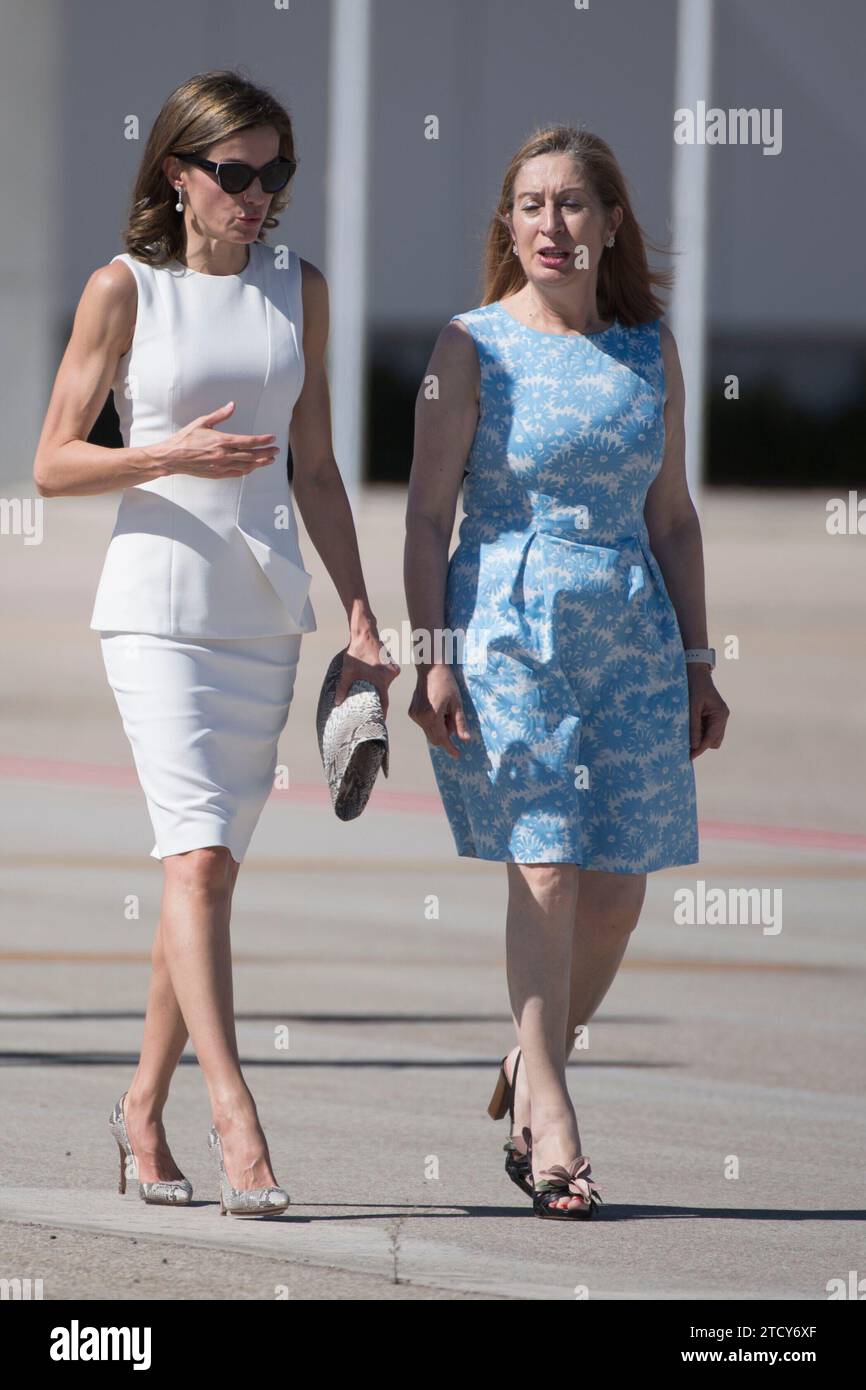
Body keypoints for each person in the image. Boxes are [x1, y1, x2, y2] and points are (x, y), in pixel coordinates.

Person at [33, 70, 398, 1217]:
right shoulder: (121, 289)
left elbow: (319, 466)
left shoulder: (302, 290)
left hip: (260, 616)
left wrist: (359, 608)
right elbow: (50, 460)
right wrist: (163, 457)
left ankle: (139, 1109)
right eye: (233, 174)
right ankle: (236, 1119)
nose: (256, 195)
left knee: (207, 874)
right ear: (177, 177)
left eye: (273, 173)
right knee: (192, 862)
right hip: (155, 609)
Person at [405, 125, 729, 1219]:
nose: (550, 224)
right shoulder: (469, 348)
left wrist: (696, 658)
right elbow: (424, 514)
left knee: (614, 892)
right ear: (507, 225)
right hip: (506, 627)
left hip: (631, 635)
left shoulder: (650, 348)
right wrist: (432, 653)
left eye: (571, 204)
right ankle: (553, 1121)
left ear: (610, 223)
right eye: (529, 205)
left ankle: (524, 1059)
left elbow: (672, 516)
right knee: (542, 867)